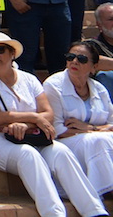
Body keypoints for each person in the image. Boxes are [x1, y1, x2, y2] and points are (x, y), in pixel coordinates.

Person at [0, 32, 106, 217]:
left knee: (62, 152)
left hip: (30, 136)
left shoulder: (29, 79)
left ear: (12, 54)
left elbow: (48, 113)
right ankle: (54, 213)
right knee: (28, 156)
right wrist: (34, 118)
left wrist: (26, 125)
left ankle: (95, 211)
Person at [43, 40, 113, 195]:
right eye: (70, 57)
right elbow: (57, 128)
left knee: (100, 140)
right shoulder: (53, 86)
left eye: (81, 59)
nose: (74, 61)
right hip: (64, 143)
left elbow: (112, 122)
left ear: (94, 67)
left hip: (94, 140)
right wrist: (96, 132)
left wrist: (90, 128)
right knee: (98, 140)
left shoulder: (99, 89)